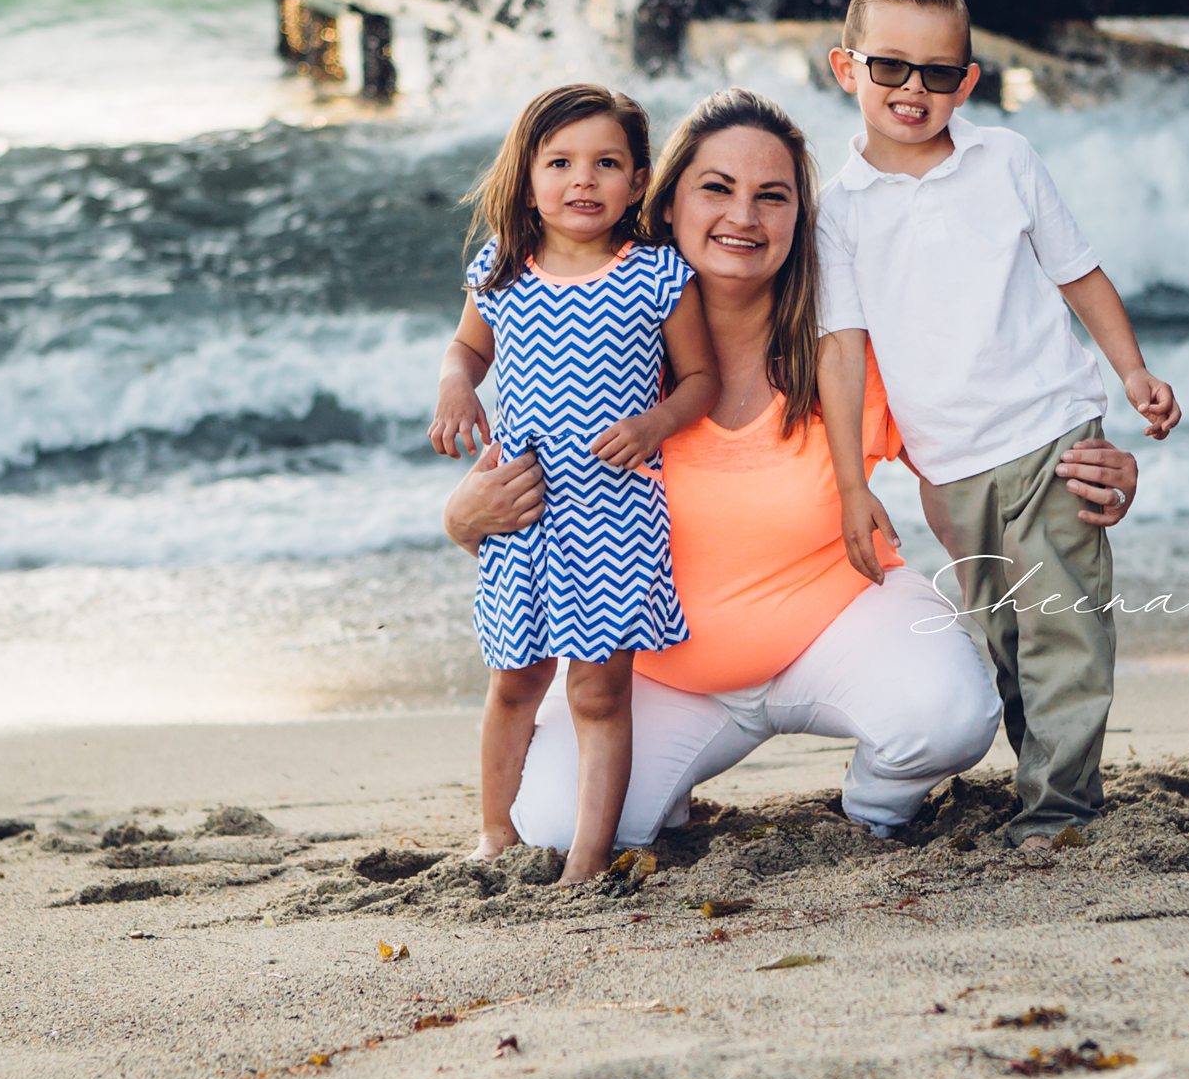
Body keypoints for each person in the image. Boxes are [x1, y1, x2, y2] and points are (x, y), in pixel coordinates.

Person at [443, 88, 1143, 854]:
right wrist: (462, 519)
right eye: (717, 189)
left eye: (771, 197)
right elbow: (526, 508)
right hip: (661, 675)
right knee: (553, 830)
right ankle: (664, 805)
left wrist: (1074, 466)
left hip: (835, 628)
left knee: (944, 714)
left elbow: (967, 470)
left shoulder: (845, 350)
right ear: (667, 201)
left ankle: (873, 810)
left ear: (798, 222)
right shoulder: (593, 347)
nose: (743, 216)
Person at [813, 0, 1180, 850]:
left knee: (1065, 625)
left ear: (967, 82)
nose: (914, 91)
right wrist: (853, 482)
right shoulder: (836, 209)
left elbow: (1077, 272)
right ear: (845, 68)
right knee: (1007, 636)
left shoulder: (1005, 159)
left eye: (940, 74)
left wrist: (1132, 373)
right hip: (947, 464)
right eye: (891, 68)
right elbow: (843, 352)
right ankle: (1041, 782)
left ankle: (1060, 811)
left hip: (1053, 431)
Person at [429, 84, 716, 882]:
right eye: (560, 162)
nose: (582, 180)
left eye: (605, 164)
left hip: (617, 515)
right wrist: (457, 385)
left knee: (597, 694)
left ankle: (588, 858)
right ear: (527, 179)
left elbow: (699, 381)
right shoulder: (502, 268)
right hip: (523, 512)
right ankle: (494, 831)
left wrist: (655, 425)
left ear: (637, 181)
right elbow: (466, 351)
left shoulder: (658, 275)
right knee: (514, 682)